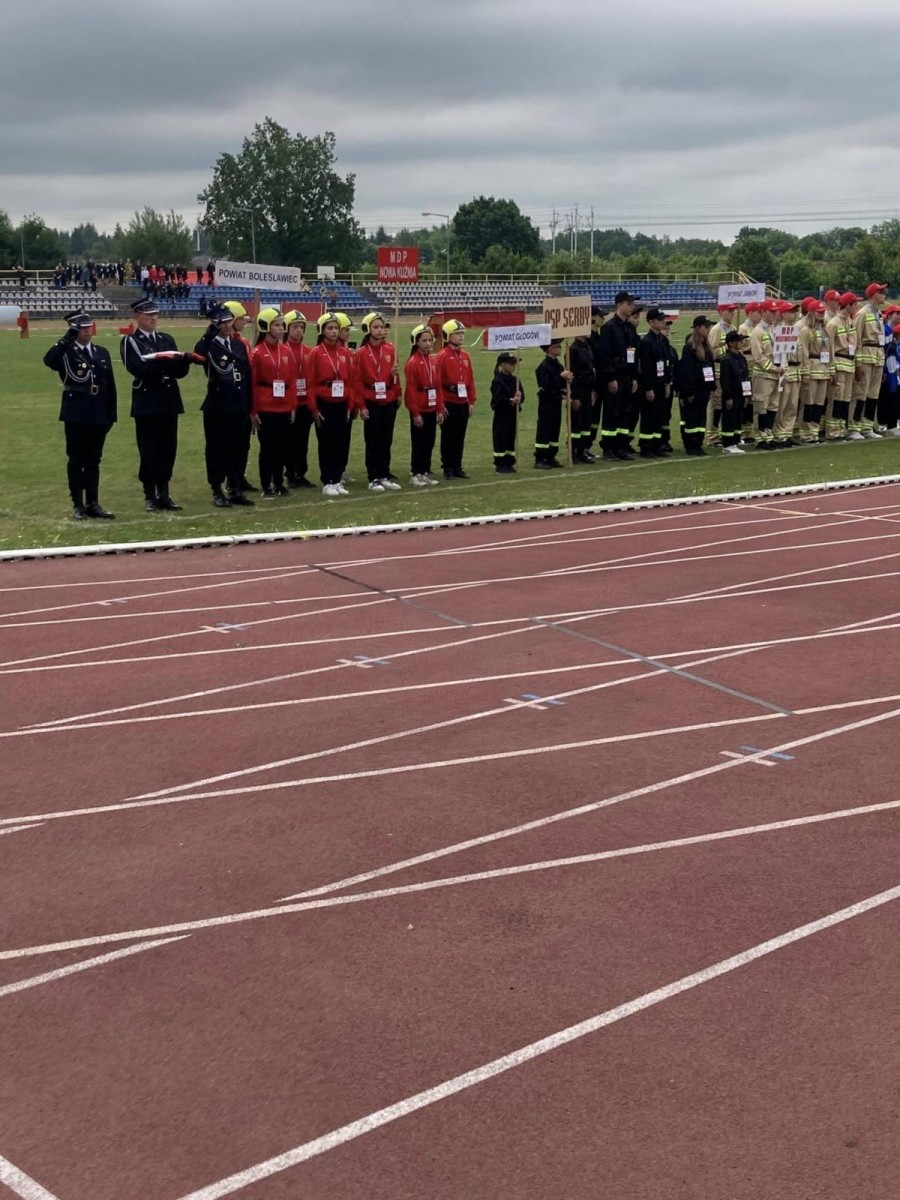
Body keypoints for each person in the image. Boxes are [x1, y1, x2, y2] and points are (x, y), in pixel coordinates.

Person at [43, 310, 117, 519]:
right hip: (76, 412)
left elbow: (110, 386)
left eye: (88, 326)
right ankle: (77, 504)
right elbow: (49, 360)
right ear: (74, 330)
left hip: (98, 411)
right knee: (76, 460)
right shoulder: (66, 352)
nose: (87, 331)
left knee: (94, 460)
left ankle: (93, 502)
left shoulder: (101, 352)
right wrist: (66, 339)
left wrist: (111, 414)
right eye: (82, 328)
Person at [120, 297, 193, 510]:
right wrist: (164, 362)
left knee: (168, 449)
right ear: (137, 316)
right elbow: (138, 369)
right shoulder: (130, 341)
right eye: (149, 314)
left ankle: (164, 493)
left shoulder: (166, 339)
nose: (154, 318)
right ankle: (149, 495)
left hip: (169, 401)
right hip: (148, 402)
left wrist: (182, 361)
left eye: (155, 314)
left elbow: (179, 372)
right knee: (149, 449)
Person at [194, 306, 255, 508]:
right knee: (217, 449)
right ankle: (217, 489)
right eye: (222, 322)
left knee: (237, 448)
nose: (228, 325)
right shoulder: (210, 346)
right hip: (218, 406)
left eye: (229, 321)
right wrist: (209, 333)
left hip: (238, 405)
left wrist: (249, 405)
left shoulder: (237, 345)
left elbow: (246, 376)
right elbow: (198, 355)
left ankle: (235, 487)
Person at [249, 307, 298, 498]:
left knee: (282, 447)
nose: (281, 329)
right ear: (265, 327)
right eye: (276, 325)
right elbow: (252, 384)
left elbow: (292, 381)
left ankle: (279, 482)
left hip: (284, 406)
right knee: (267, 448)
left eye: (281, 325)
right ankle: (266, 485)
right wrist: (253, 411)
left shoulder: (285, 351)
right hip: (265, 406)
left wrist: (292, 406)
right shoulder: (257, 353)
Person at [308, 311, 355, 497]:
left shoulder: (344, 353)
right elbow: (311, 383)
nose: (334, 332)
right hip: (324, 400)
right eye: (330, 328)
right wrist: (314, 408)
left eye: (336, 328)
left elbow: (351, 381)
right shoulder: (316, 353)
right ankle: (327, 480)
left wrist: (350, 405)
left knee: (340, 441)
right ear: (322, 331)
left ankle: (337, 479)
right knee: (326, 442)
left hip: (341, 401)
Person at [357, 312, 402, 491]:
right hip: (371, 400)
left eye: (382, 327)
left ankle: (384, 474)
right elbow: (357, 381)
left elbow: (396, 379)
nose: (379, 330)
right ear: (368, 330)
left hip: (388, 400)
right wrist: (361, 405)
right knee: (373, 440)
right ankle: (373, 476)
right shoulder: (361, 353)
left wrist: (397, 391)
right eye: (375, 327)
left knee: (386, 439)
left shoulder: (391, 349)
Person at [596, 289, 640, 461]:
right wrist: (610, 378)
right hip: (615, 376)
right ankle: (608, 448)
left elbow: (632, 353)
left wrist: (634, 376)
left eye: (632, 304)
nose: (632, 307)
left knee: (624, 412)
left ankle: (621, 446)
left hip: (627, 376)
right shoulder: (609, 328)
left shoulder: (628, 328)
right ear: (619, 305)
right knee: (611, 412)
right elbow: (605, 355)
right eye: (629, 304)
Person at [222, 300, 256, 491]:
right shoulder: (222, 343)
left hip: (244, 399)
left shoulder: (242, 342)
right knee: (230, 443)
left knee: (244, 443)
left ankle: (240, 475)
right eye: (241, 318)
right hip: (229, 401)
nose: (244, 322)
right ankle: (230, 478)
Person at [404, 323, 444, 486]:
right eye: (424, 340)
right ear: (416, 342)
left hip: (432, 406)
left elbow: (439, 387)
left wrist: (440, 408)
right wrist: (415, 412)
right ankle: (416, 472)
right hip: (420, 406)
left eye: (430, 340)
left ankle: (425, 471)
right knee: (419, 441)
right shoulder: (413, 363)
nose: (428, 344)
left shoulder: (433, 361)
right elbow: (411, 390)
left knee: (429, 441)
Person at [437, 319, 476, 478]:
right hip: (449, 400)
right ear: (448, 336)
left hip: (462, 401)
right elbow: (437, 382)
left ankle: (457, 465)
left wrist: (471, 401)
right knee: (448, 436)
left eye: (462, 334)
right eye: (457, 334)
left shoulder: (466, 356)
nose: (461, 337)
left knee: (460, 435)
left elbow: (471, 380)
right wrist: (441, 404)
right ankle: (447, 467)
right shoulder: (442, 356)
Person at [282, 311, 316, 489]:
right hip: (288, 403)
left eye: (301, 327)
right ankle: (289, 473)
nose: (298, 331)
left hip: (305, 403)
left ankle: (301, 473)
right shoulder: (282, 351)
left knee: (302, 440)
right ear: (287, 329)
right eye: (295, 327)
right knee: (289, 440)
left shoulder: (309, 352)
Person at [851, 282, 888, 439]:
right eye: (881, 292)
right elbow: (856, 338)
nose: (884, 295)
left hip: (878, 355)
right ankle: (854, 427)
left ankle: (867, 426)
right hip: (866, 355)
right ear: (874, 295)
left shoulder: (878, 313)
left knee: (873, 394)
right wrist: (858, 363)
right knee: (861, 393)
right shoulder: (862, 314)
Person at [637, 307, 674, 457]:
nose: (663, 322)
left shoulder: (662, 339)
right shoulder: (647, 341)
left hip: (661, 383)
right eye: (660, 319)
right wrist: (648, 388)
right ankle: (646, 446)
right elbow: (645, 367)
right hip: (651, 384)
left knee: (659, 415)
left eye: (663, 319)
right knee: (649, 416)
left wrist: (666, 383)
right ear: (651, 322)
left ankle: (657, 444)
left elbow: (666, 362)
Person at [678, 315, 716, 456]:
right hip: (694, 389)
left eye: (709, 326)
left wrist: (711, 387)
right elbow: (687, 371)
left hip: (705, 389)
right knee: (692, 418)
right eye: (706, 326)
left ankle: (698, 443)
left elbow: (710, 368)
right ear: (697, 328)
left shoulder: (707, 347)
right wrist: (688, 392)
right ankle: (691, 445)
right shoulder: (690, 348)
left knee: (701, 418)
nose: (708, 329)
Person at [824, 292, 859, 441]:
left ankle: (841, 427)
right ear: (848, 305)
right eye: (855, 304)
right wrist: (832, 368)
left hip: (849, 363)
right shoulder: (833, 324)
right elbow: (830, 347)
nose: (857, 306)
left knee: (845, 398)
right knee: (836, 398)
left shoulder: (850, 322)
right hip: (839, 362)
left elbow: (854, 342)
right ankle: (832, 430)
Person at [749, 299, 783, 449]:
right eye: (771, 312)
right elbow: (758, 356)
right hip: (763, 374)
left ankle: (768, 434)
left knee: (772, 406)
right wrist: (772, 368)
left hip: (775, 374)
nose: (774, 314)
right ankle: (760, 437)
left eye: (775, 312)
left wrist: (781, 369)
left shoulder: (773, 329)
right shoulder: (757, 332)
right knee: (761, 406)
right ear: (763, 312)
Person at [533, 339, 572, 469]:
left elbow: (561, 384)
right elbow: (545, 384)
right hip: (547, 402)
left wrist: (567, 384)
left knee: (555, 428)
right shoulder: (544, 366)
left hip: (556, 401)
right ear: (549, 349)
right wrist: (561, 377)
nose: (560, 348)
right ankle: (540, 457)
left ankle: (551, 456)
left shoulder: (558, 365)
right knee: (545, 428)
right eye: (557, 346)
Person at [706, 303, 738, 447]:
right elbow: (711, 352)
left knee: (727, 404)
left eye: (733, 311)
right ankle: (713, 436)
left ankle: (724, 432)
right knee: (717, 404)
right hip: (719, 370)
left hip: (730, 371)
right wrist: (727, 348)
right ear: (720, 312)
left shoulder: (733, 328)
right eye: (729, 311)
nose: (732, 313)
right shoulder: (716, 330)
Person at [798, 300, 830, 444]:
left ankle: (814, 431)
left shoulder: (824, 329)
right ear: (812, 312)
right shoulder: (805, 330)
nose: (822, 314)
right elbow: (804, 352)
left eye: (823, 311)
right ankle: (806, 433)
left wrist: (830, 368)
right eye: (819, 311)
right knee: (808, 403)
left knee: (819, 403)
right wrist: (805, 372)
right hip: (811, 367)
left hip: (823, 368)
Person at [772, 300, 802, 448]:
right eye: (791, 311)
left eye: (795, 311)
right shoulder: (779, 330)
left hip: (796, 370)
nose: (795, 314)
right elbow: (778, 354)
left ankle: (787, 433)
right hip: (786, 369)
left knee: (792, 405)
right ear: (783, 314)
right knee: (782, 405)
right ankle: (779, 433)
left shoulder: (797, 330)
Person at [718, 330, 750, 455]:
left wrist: (747, 394)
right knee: (729, 419)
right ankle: (728, 443)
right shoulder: (727, 360)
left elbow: (745, 376)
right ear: (731, 343)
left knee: (738, 418)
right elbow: (725, 380)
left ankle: (735, 440)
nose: (742, 342)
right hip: (732, 394)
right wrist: (728, 397)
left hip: (741, 393)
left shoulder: (741, 358)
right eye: (739, 340)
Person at [490, 352, 523, 473]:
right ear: (502, 365)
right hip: (502, 414)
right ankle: (500, 463)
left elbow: (521, 395)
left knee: (510, 436)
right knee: (501, 437)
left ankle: (509, 461)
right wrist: (510, 400)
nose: (514, 366)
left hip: (512, 413)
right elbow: (497, 399)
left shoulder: (515, 380)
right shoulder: (497, 381)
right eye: (511, 364)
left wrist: (519, 398)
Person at [568, 332, 596, 462]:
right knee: (576, 423)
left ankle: (582, 450)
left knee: (586, 421)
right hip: (578, 388)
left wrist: (592, 390)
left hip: (587, 388)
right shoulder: (573, 349)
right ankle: (573, 451)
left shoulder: (587, 347)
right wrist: (575, 396)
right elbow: (572, 375)